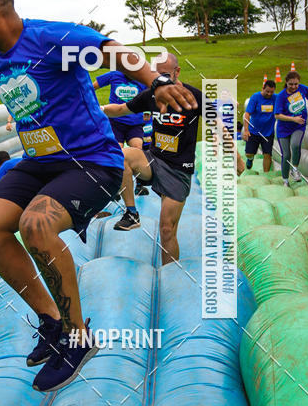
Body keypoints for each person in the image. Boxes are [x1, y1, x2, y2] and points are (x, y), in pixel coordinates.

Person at [0, 0, 196, 392]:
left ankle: (77, 337)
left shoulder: (52, 39)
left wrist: (156, 81)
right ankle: (52, 322)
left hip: (91, 161)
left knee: (35, 225)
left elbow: (111, 50)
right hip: (40, 162)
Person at [103, 53, 228, 265]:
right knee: (122, 155)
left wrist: (232, 153)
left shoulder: (193, 96)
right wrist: (96, 110)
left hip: (179, 170)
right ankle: (132, 213)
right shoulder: (151, 95)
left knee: (167, 230)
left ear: (177, 72)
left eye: (166, 75)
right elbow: (121, 109)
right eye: (157, 76)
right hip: (154, 160)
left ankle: (169, 273)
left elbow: (217, 122)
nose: (161, 82)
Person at [93, 70, 149, 195]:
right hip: (115, 123)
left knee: (137, 149)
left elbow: (152, 96)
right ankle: (115, 188)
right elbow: (91, 87)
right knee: (117, 152)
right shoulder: (114, 75)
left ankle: (139, 185)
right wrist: (92, 104)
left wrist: (148, 116)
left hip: (135, 124)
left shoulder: (142, 77)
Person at [274, 70, 308, 185]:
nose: (294, 86)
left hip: (299, 125)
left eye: (296, 84)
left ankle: (295, 170)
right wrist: (293, 118)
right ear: (286, 82)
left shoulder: (303, 89)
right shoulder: (281, 96)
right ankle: (285, 180)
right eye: (291, 84)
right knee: (286, 155)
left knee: (295, 145)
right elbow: (277, 115)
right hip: (283, 129)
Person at [242, 80, 276, 173]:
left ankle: (266, 175)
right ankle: (250, 159)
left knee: (267, 155)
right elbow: (247, 114)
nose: (269, 94)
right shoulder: (255, 97)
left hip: (268, 133)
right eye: (267, 91)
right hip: (253, 131)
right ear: (263, 89)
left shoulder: (275, 98)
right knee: (249, 153)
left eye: (271, 92)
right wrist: (246, 130)